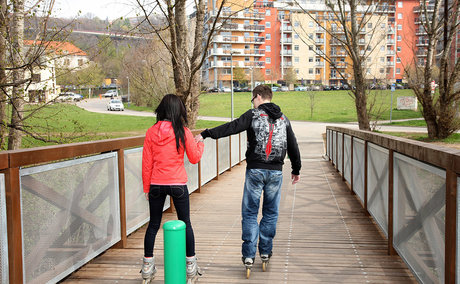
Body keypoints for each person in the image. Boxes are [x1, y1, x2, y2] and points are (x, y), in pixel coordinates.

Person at [195, 84, 301, 269]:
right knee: (270, 213)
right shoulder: (284, 119)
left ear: (258, 96)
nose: (252, 103)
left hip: (255, 171)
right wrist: (296, 169)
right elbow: (292, 144)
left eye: (252, 99)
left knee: (250, 212)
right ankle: (266, 251)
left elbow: (232, 127)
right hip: (276, 172)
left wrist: (206, 134)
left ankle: (249, 255)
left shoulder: (252, 115)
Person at [141, 94, 204, 282]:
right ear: (179, 111)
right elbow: (194, 158)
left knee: (153, 224)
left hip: (156, 184)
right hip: (177, 183)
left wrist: (146, 187)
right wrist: (200, 143)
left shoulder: (151, 132)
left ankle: (147, 267)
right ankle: (191, 266)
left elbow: (146, 163)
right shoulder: (182, 132)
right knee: (186, 223)